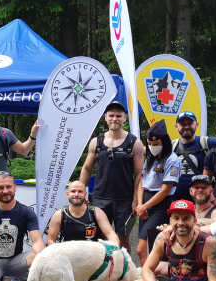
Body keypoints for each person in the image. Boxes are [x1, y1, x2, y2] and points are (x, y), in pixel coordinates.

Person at [79, 101, 144, 252]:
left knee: (122, 235)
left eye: (118, 116)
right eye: (112, 116)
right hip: (101, 197)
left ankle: (126, 268)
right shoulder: (97, 142)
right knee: (100, 234)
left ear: (124, 118)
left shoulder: (135, 143)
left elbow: (139, 173)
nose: (115, 119)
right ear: (105, 117)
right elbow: (87, 169)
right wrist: (82, 191)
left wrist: (136, 198)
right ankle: (103, 267)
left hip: (124, 198)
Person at [136, 120, 181, 266]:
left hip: (161, 203)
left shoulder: (172, 160)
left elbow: (165, 190)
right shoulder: (150, 157)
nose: (152, 147)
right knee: (148, 248)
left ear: (165, 142)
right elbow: (142, 182)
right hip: (146, 202)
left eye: (155, 144)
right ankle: (149, 280)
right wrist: (140, 205)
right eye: (149, 144)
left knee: (142, 249)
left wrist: (144, 207)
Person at [46, 180, 119, 246]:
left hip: (93, 255)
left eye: (80, 191)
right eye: (73, 191)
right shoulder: (59, 215)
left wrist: (116, 249)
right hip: (69, 255)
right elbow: (51, 240)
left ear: (85, 194)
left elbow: (110, 234)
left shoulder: (97, 212)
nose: (76, 194)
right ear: (67, 194)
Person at [171, 111, 216, 202]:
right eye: (182, 124)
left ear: (196, 125)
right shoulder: (170, 146)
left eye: (190, 123)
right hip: (174, 197)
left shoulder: (209, 143)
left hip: (200, 196)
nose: (186, 127)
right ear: (176, 127)